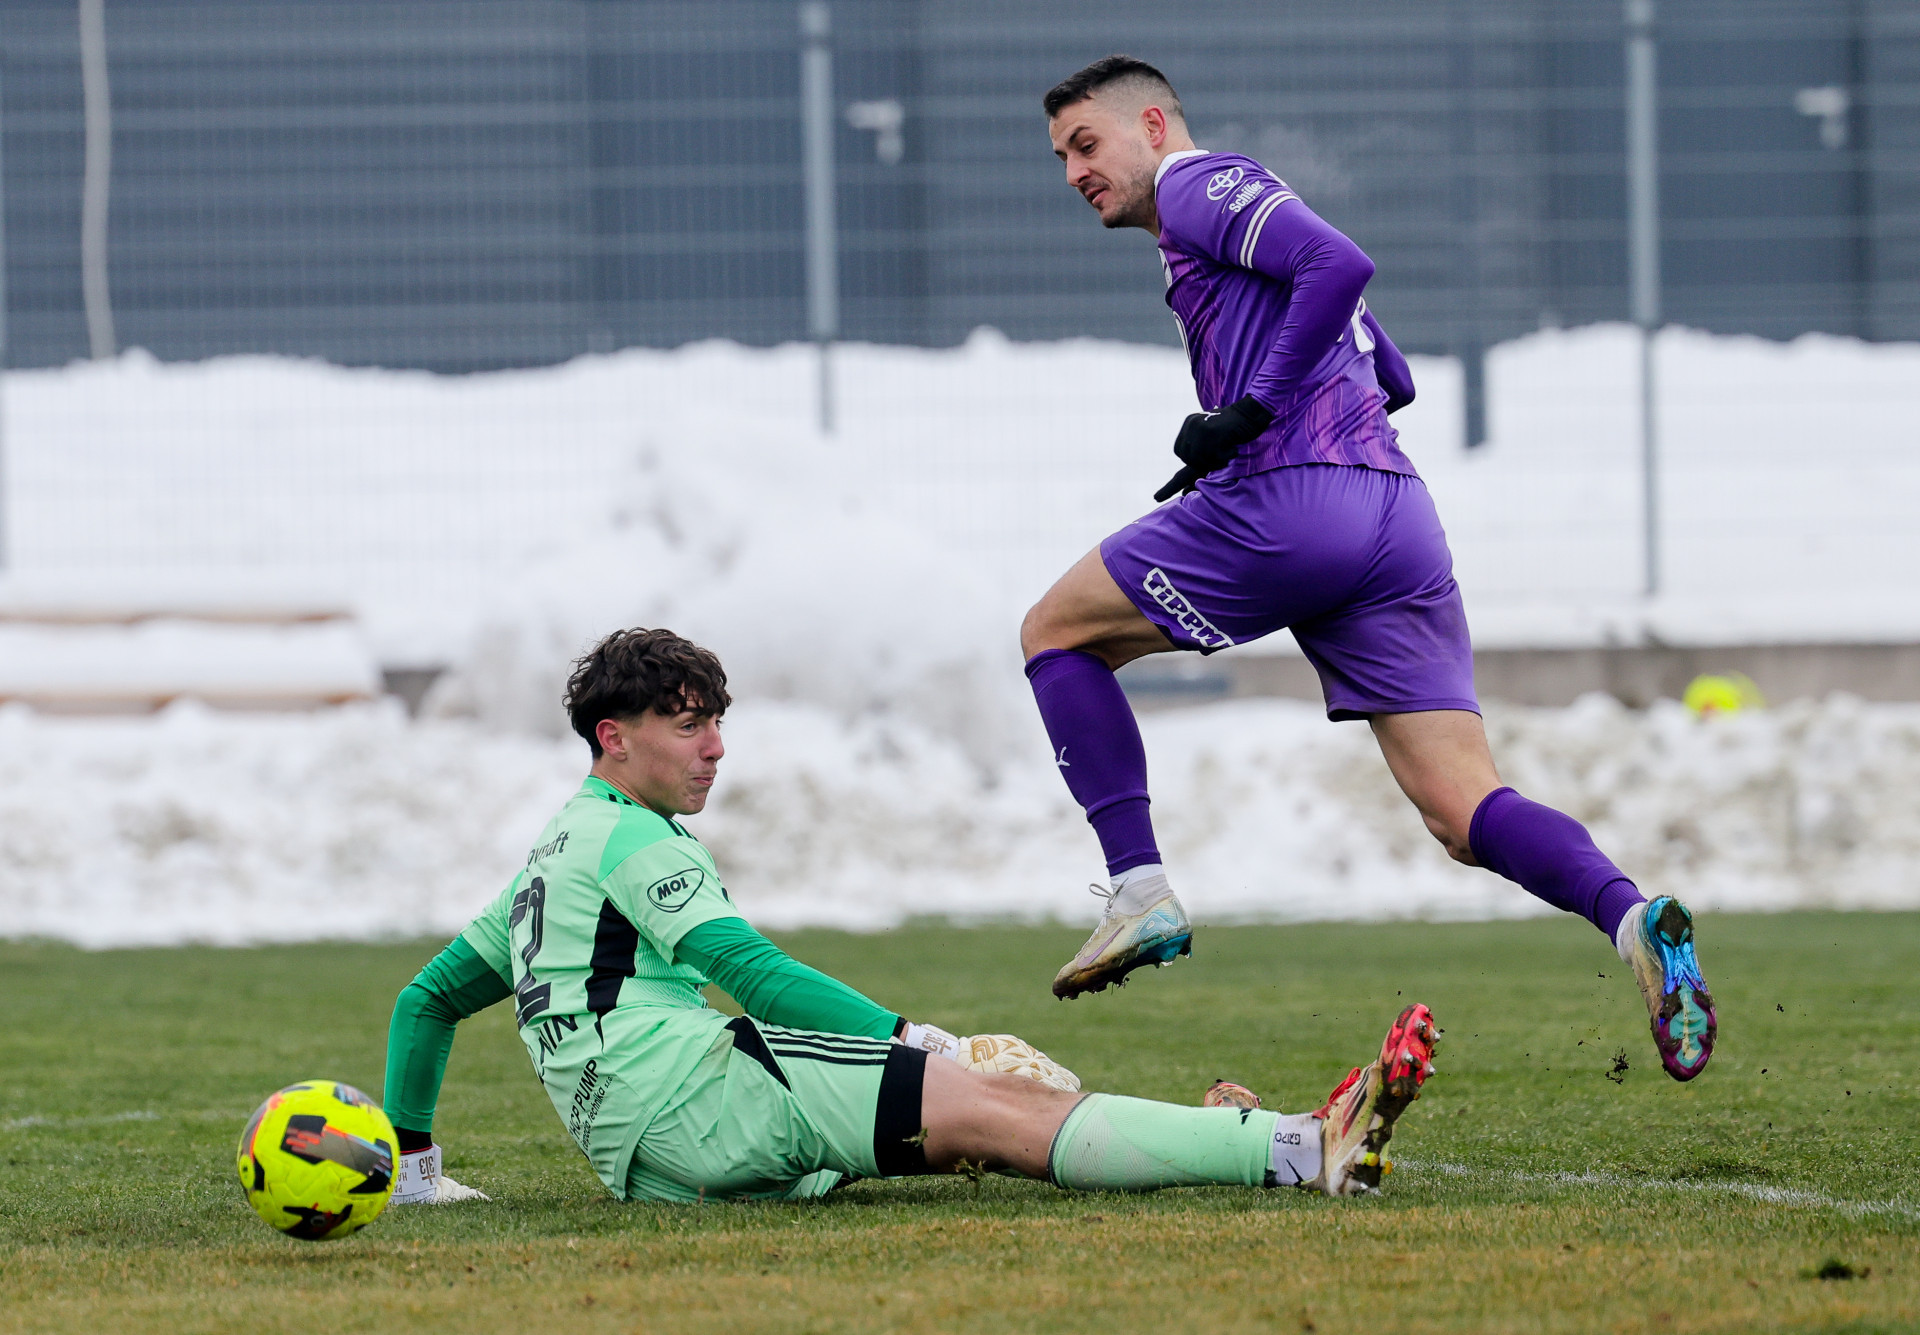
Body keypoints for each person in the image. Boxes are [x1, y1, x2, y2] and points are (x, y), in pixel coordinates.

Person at [1023, 55, 1715, 1083]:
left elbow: (1339, 264)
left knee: (1055, 632)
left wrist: (1251, 413)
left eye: (1087, 144)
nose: (1075, 171)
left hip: (1297, 501)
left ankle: (1138, 888)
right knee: (1460, 808)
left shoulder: (1198, 183)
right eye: (1060, 157)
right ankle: (1633, 919)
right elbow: (1386, 368)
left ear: (1154, 124)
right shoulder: (1220, 217)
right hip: (1395, 518)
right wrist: (1282, 403)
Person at [380, 626, 1439, 1206]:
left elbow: (423, 1003)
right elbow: (752, 975)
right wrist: (910, 1034)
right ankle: (1298, 1147)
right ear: (612, 736)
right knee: (997, 1103)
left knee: (970, 1118)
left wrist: (417, 1174)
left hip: (641, 1162)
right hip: (698, 1098)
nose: (715, 748)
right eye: (686, 725)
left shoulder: (554, 852)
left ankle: (1212, 1130)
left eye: (717, 724)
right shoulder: (631, 839)